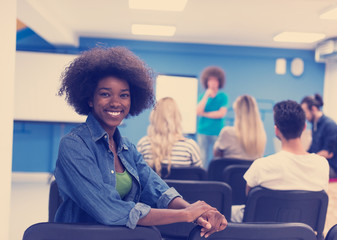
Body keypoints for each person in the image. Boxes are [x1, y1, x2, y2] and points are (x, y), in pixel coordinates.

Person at [54, 47, 227, 237]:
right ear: (89, 99)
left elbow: (158, 190)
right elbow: (110, 211)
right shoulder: (73, 145)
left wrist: (197, 213)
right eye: (105, 94)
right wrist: (185, 214)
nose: (115, 102)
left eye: (124, 95)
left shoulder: (127, 147)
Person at [231, 100, 329, 222]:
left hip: (263, 233)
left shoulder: (261, 165)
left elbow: (250, 200)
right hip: (301, 234)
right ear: (304, 127)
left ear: (276, 130)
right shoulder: (322, 165)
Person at [137, 97, 202, 177]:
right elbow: (200, 178)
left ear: (154, 117)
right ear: (177, 117)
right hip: (183, 190)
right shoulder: (190, 147)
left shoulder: (143, 145)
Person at [301, 94, 337, 178]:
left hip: (332, 168)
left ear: (313, 109)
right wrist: (300, 157)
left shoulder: (330, 125)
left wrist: (307, 160)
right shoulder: (315, 124)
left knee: (303, 173)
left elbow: (328, 153)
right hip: (318, 164)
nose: (305, 116)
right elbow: (312, 149)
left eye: (305, 112)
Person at [213, 95, 266, 160]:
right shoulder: (260, 136)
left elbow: (217, 155)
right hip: (252, 170)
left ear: (237, 111)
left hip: (229, 169)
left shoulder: (227, 132)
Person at [196, 66, 229, 168]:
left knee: (217, 157)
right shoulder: (202, 96)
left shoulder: (223, 96)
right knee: (203, 156)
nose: (213, 83)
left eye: (215, 80)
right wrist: (206, 96)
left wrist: (205, 114)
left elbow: (221, 114)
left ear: (219, 82)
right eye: (210, 80)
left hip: (217, 131)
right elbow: (198, 111)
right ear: (207, 82)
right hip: (203, 131)